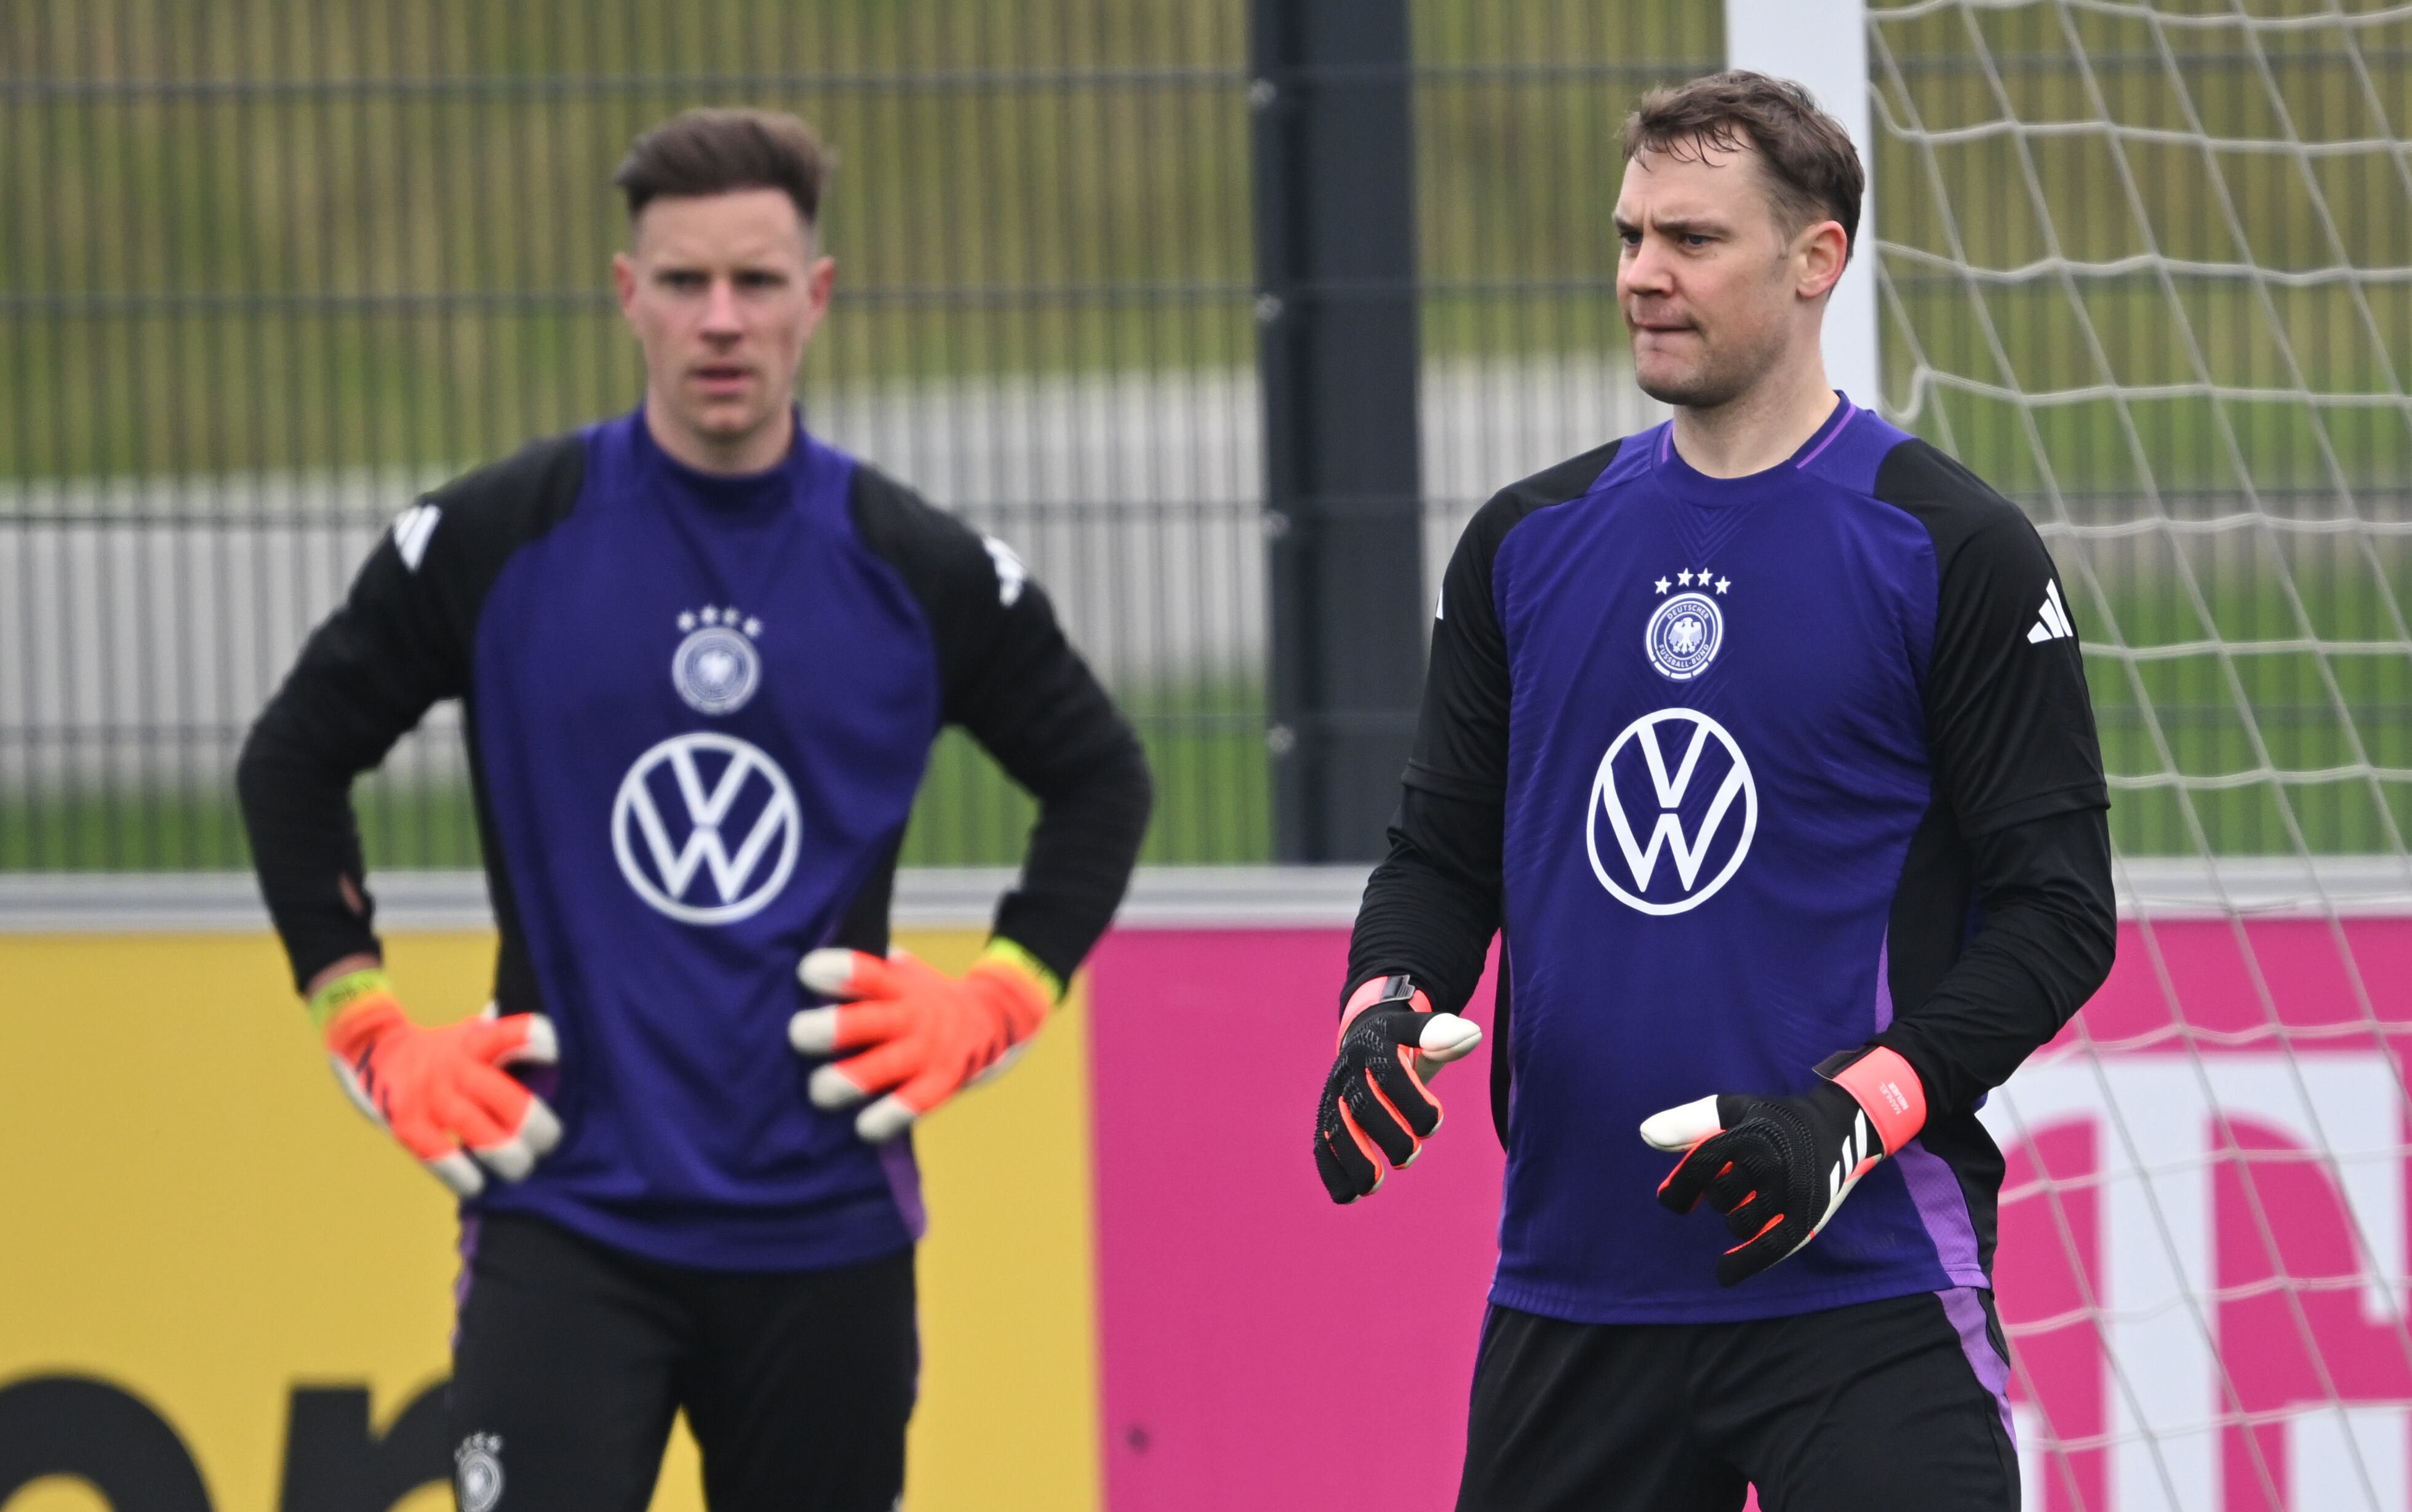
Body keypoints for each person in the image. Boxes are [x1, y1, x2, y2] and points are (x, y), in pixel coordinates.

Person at [238, 106, 1151, 1512]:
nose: (720, 320)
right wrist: (367, 1031)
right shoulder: (497, 539)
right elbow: (291, 760)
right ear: (626, 295)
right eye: (682, 283)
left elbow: (1103, 777)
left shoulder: (914, 567)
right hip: (564, 1218)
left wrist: (998, 1000)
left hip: (826, 1229)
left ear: (818, 296)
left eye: (756, 282)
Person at [1311, 72, 2115, 1511]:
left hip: (1860, 1288)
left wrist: (1848, 1115)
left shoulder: (1952, 547)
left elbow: (2058, 918)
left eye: (1689, 239)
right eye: (1628, 236)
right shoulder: (1523, 545)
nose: (1640, 276)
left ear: (1816, 262)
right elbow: (1438, 856)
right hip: (1576, 1285)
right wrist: (1379, 1006)